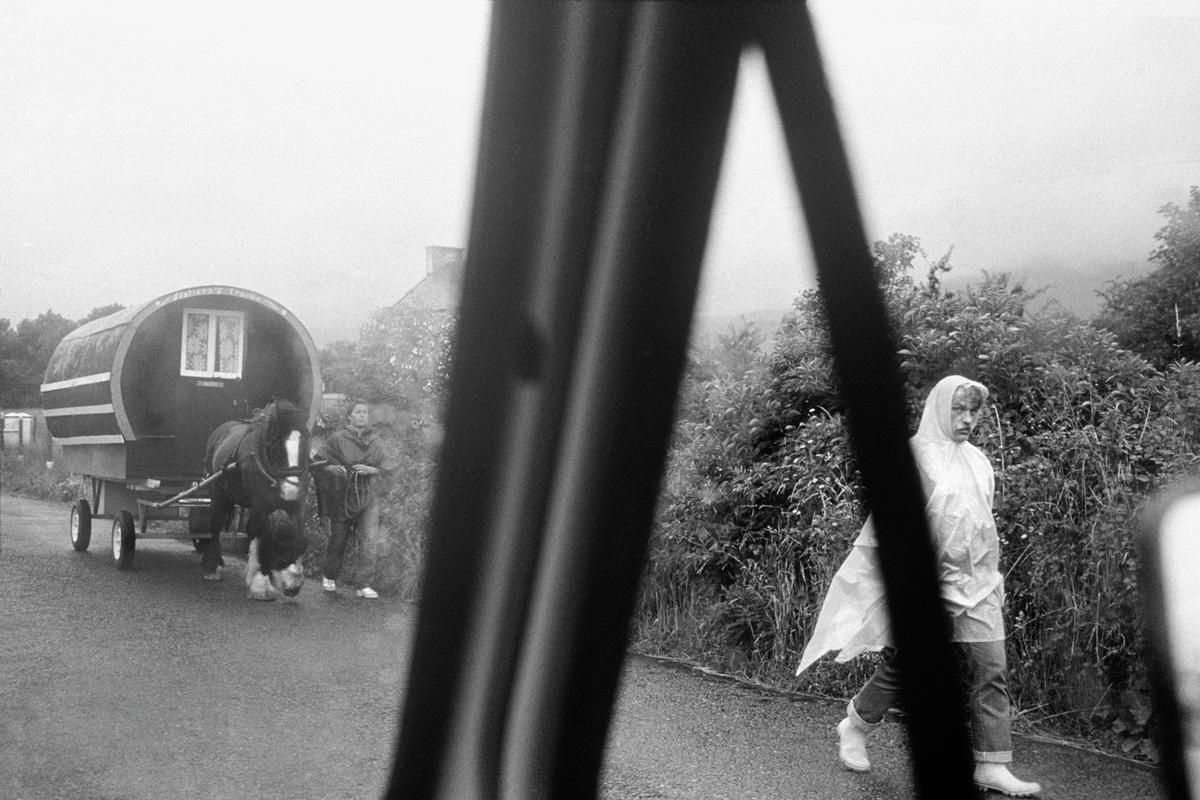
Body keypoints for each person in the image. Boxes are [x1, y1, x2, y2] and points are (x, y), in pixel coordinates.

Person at [795, 375, 1041, 797]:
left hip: (978, 584)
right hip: (929, 581)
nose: (966, 420)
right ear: (939, 408)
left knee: (991, 670)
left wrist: (988, 574)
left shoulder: (979, 461)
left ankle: (991, 764)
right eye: (957, 410)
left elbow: (981, 525)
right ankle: (855, 725)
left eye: (973, 411)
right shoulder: (915, 457)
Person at [313, 399, 393, 599]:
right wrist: (331, 468)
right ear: (349, 416)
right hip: (342, 496)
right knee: (339, 540)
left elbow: (389, 466)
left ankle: (364, 584)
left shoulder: (376, 441)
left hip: (368, 497)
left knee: (369, 541)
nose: (362, 415)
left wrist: (371, 469)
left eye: (365, 412)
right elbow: (318, 463)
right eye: (358, 412)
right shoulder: (337, 439)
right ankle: (330, 577)